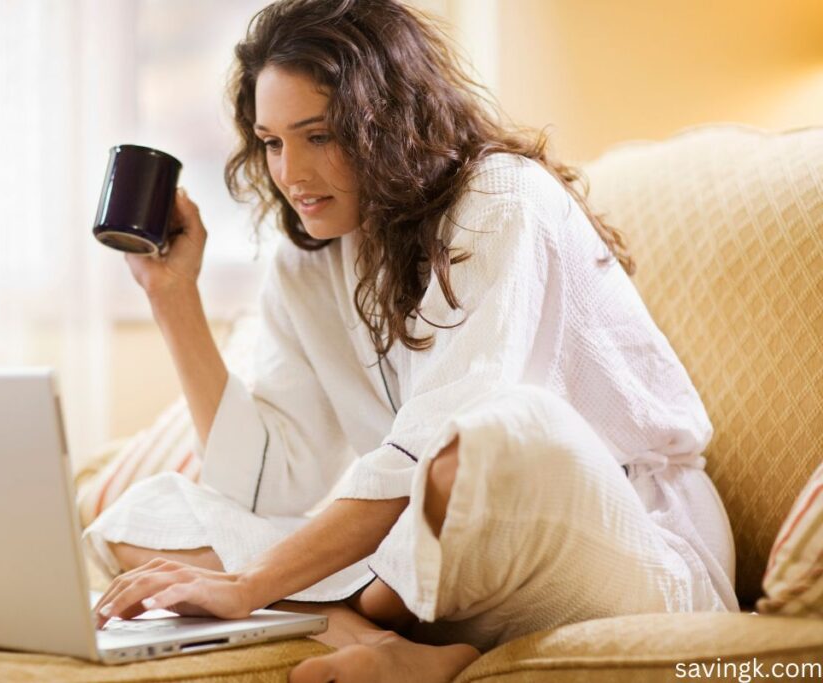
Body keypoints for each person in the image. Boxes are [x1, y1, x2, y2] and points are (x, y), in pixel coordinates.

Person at [85, 1, 739, 681]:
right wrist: (173, 296)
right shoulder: (308, 258)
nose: (292, 174)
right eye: (273, 141)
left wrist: (252, 584)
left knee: (489, 438)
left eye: (319, 136)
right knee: (141, 516)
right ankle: (375, 634)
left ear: (385, 123)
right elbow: (268, 483)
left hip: (619, 536)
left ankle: (370, 600)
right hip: (432, 550)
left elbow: (438, 445)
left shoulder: (503, 199)